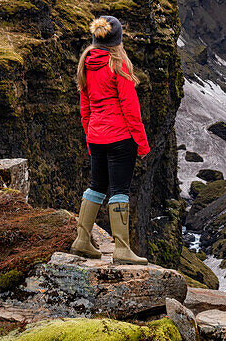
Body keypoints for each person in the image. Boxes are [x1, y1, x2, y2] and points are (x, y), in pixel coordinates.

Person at [71, 15, 151, 265]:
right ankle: (122, 248)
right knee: (119, 191)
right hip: (120, 137)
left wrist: (90, 134)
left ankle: (82, 241)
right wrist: (141, 142)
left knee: (96, 186)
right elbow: (131, 108)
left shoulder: (86, 63)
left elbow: (85, 107)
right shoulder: (118, 64)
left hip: (96, 135)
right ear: (117, 40)